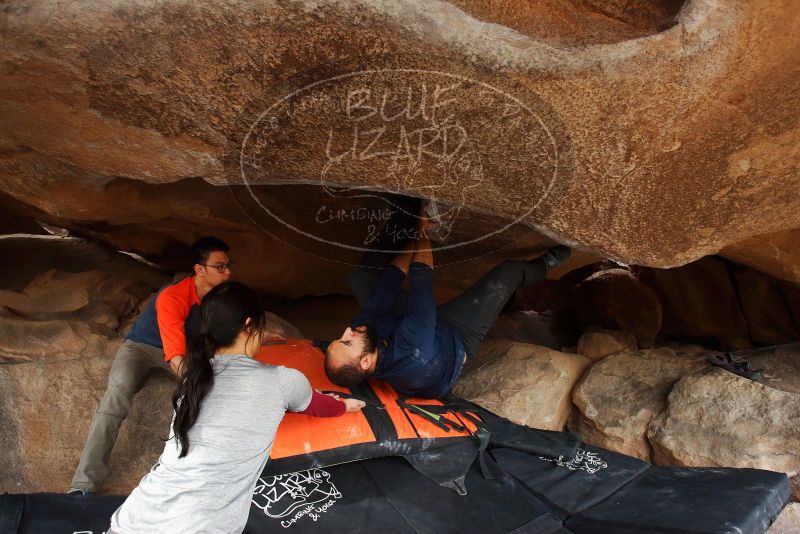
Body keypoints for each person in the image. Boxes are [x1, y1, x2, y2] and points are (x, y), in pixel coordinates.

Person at [107, 281, 363, 534]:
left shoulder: (194, 379)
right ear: (250, 326)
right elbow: (319, 405)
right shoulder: (283, 380)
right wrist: (345, 406)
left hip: (133, 518)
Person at [324, 201, 571, 398]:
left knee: (363, 278)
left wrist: (413, 231)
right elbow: (421, 274)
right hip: (456, 337)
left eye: (340, 337)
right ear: (366, 362)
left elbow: (390, 283)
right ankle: (545, 264)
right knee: (507, 273)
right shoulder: (413, 348)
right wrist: (423, 231)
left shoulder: (365, 334)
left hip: (414, 328)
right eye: (347, 342)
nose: (347, 331)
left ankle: (404, 213)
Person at [69, 236, 235, 495]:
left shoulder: (221, 298)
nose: (228, 272)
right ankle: (83, 484)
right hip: (141, 348)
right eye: (220, 266)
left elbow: (224, 335)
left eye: (229, 265)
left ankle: (198, 479)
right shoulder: (173, 295)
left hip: (186, 351)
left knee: (209, 398)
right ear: (200, 269)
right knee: (116, 398)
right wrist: (192, 382)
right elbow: (175, 355)